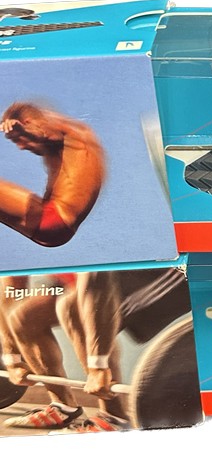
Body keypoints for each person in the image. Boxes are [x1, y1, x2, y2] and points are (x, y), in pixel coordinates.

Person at [0, 272, 129, 431]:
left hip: (134, 279)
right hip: (84, 283)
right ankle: (63, 408)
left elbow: (96, 281)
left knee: (71, 307)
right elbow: (11, 291)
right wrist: (12, 359)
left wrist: (98, 366)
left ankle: (114, 419)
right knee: (23, 317)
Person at [0, 102, 105, 247]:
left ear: (28, 122)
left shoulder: (60, 128)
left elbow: (41, 134)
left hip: (52, 218)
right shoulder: (76, 140)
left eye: (17, 139)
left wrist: (23, 131)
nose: (21, 147)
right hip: (60, 228)